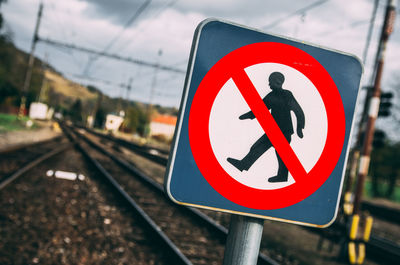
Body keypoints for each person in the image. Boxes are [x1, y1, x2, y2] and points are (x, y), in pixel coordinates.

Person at [227, 71, 305, 183]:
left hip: (283, 131)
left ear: (277, 82)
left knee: (277, 152)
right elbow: (259, 109)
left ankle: (245, 165)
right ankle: (245, 165)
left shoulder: (287, 95)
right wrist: (248, 115)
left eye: (270, 82)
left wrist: (300, 127)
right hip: (274, 130)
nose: (269, 84)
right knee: (270, 150)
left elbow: (298, 111)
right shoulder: (271, 96)